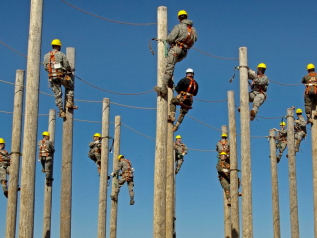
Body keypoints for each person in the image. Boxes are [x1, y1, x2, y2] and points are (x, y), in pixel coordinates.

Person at [154, 10, 198, 97]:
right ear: (186, 17)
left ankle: (163, 89)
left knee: (169, 67)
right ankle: (169, 81)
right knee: (171, 64)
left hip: (176, 50)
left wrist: (170, 42)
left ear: (179, 19)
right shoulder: (193, 30)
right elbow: (195, 39)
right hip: (184, 52)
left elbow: (170, 39)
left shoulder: (178, 27)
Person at [42, 39, 77, 118]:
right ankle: (69, 102)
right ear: (58, 46)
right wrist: (69, 70)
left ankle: (61, 111)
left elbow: (45, 67)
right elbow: (66, 65)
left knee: (58, 95)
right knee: (70, 86)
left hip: (52, 77)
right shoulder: (61, 54)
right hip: (61, 76)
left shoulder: (46, 56)